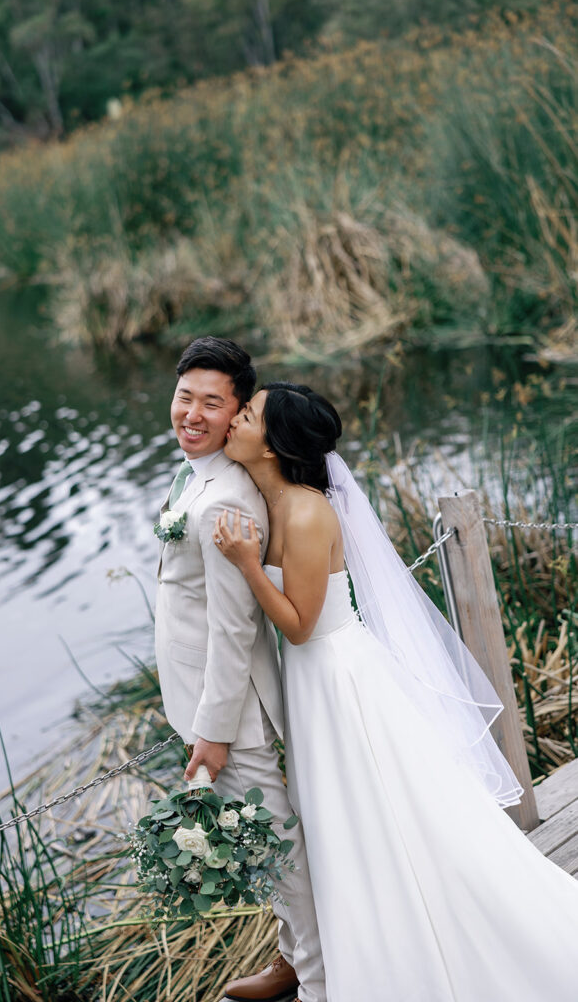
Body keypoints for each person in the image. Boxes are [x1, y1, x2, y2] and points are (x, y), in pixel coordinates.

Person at [214, 380, 578, 1002]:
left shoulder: (304, 511)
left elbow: (300, 628)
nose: (235, 421)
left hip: (337, 679)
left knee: (379, 811)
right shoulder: (269, 497)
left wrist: (248, 564)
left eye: (246, 415)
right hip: (315, 686)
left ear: (272, 445)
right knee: (346, 819)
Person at [154, 340, 325, 1002]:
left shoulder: (227, 501)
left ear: (237, 414)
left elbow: (234, 629)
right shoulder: (197, 473)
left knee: (279, 852)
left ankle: (318, 985)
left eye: (212, 403)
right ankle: (292, 960)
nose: (191, 414)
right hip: (202, 701)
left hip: (230, 713)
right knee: (263, 842)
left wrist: (215, 731)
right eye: (183, 397)